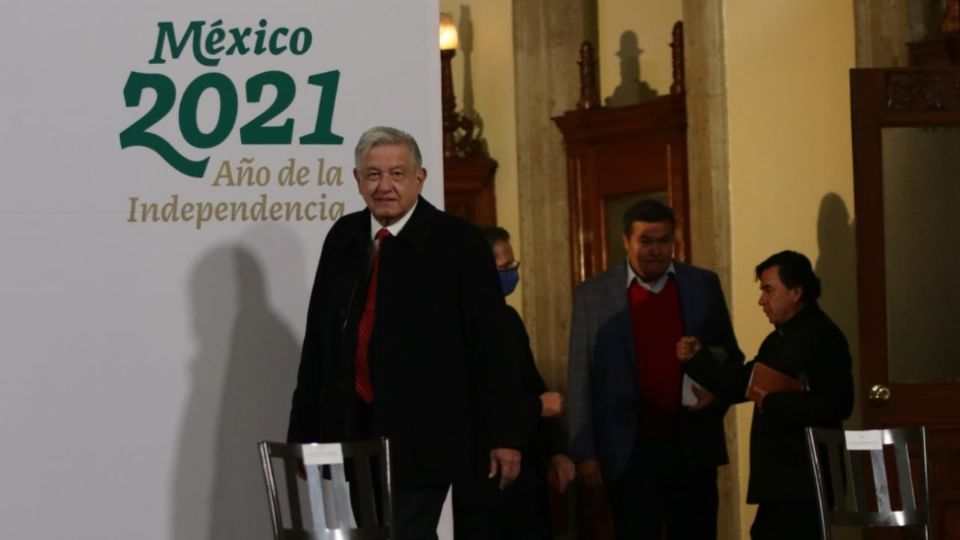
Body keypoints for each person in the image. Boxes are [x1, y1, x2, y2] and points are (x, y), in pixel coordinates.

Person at [287, 126, 527, 540]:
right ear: (357, 181)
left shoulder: (460, 244)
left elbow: (493, 348)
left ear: (420, 178)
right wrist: (303, 436)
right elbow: (319, 345)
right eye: (373, 175)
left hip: (425, 438)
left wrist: (504, 435)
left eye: (397, 174)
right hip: (349, 430)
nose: (385, 186)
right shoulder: (343, 238)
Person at [567, 199, 744, 540]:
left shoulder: (702, 285)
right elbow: (580, 378)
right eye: (646, 241)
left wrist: (716, 393)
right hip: (628, 452)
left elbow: (729, 358)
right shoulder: (593, 295)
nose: (656, 251)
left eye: (663, 241)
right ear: (626, 242)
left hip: (691, 449)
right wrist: (585, 453)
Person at [678, 250, 854, 540]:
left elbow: (837, 403)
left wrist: (771, 401)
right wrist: (699, 360)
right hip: (781, 482)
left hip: (805, 481)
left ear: (796, 292)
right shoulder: (779, 338)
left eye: (769, 290)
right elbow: (743, 383)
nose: (762, 300)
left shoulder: (822, 336)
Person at [453, 225, 576, 540]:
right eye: (503, 269)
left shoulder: (508, 320)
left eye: (513, 267)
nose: (511, 275)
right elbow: (475, 400)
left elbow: (532, 383)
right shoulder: (455, 325)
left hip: (526, 479)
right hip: (482, 480)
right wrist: (535, 408)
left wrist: (557, 452)